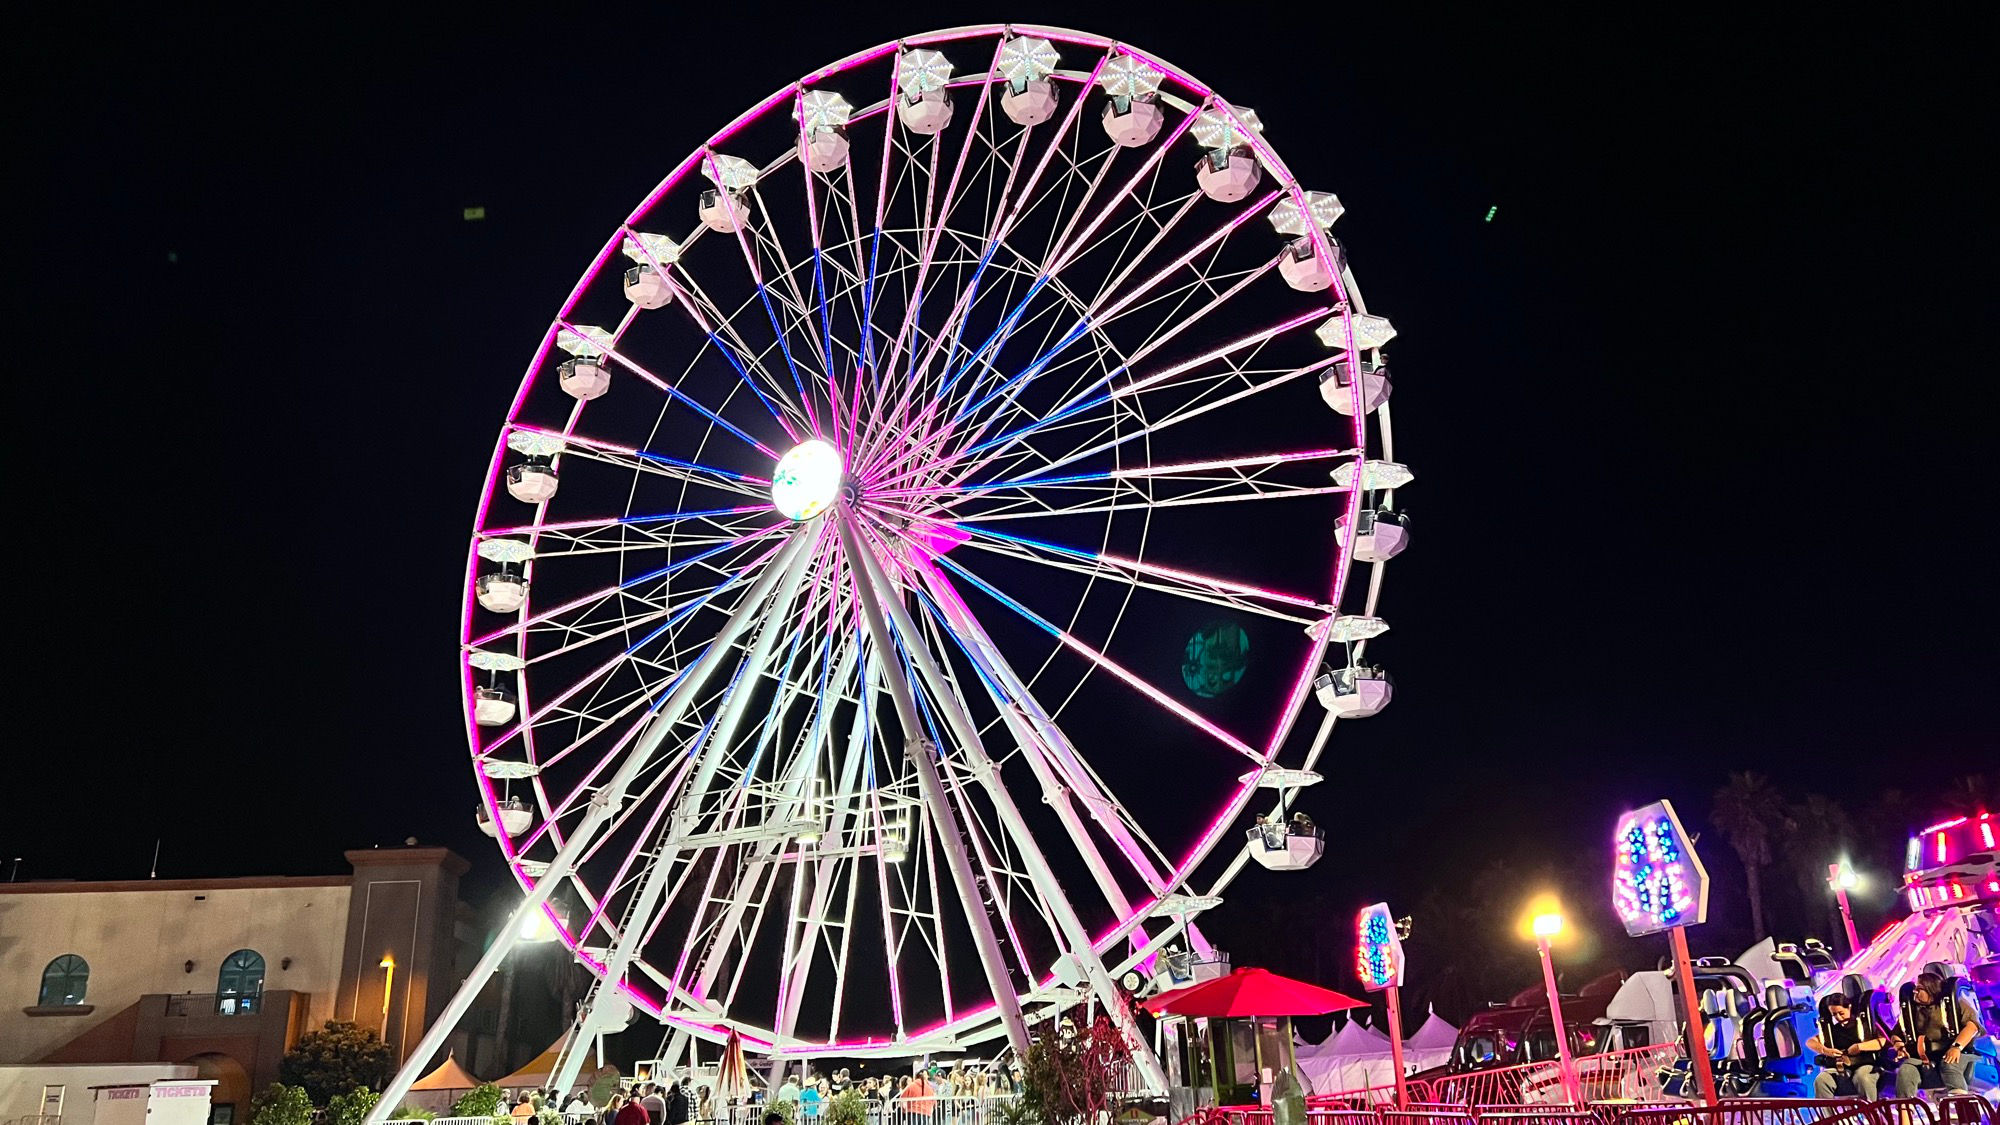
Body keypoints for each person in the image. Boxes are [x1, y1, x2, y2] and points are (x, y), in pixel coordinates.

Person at [1893, 971, 1985, 1096]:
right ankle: (1905, 1111)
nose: (1915, 992)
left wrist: (1956, 1047)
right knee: (1905, 1070)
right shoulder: (1912, 1011)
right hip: (1927, 1056)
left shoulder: (1952, 1005)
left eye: (1920, 989)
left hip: (1960, 1051)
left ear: (1931, 989)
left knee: (1949, 1064)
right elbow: (1896, 1033)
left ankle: (1963, 1105)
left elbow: (1972, 1026)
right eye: (1915, 989)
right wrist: (1899, 1046)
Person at [1807, 993, 1887, 1100]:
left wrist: (1860, 1047)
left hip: (1864, 1064)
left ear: (1849, 1007)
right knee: (1821, 1080)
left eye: (1841, 1013)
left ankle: (1872, 1112)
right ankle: (1831, 1116)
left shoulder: (1864, 1024)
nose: (1839, 1017)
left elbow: (1882, 1040)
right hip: (1841, 1067)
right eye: (1834, 1014)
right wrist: (1826, 1050)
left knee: (1862, 1077)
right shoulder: (1833, 1030)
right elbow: (1810, 1042)